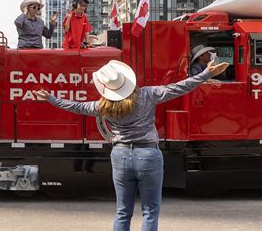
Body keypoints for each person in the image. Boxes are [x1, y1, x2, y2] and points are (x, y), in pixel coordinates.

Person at [33, 59, 229, 231]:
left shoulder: (103, 105)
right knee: (150, 211)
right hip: (148, 155)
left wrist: (51, 98)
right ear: (128, 80)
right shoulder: (147, 94)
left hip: (120, 155)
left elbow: (75, 106)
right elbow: (180, 87)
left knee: (122, 211)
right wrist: (206, 73)